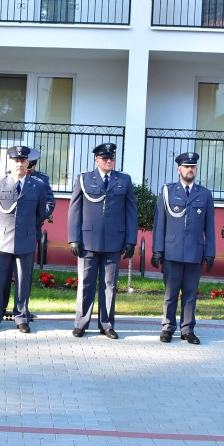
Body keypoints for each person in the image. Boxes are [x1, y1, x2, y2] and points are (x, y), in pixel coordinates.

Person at [67, 142, 137, 339]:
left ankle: (106, 324)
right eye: (105, 158)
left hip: (114, 242)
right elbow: (75, 209)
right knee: (86, 283)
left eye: (112, 158)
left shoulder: (124, 180)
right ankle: (81, 323)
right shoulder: (84, 178)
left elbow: (131, 212)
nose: (109, 161)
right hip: (88, 240)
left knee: (109, 285)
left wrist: (130, 240)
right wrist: (74, 238)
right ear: (96, 160)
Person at [0, 145, 50, 333]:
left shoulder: (37, 186)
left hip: (26, 239)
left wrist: (26, 227)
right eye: (16, 160)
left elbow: (40, 213)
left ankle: (21, 317)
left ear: (28, 163)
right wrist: (4, 227)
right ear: (11, 162)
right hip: (2, 239)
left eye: (23, 161)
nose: (19, 164)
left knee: (23, 280)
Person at [151, 152, 215, 344]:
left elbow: (209, 227)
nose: (190, 170)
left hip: (195, 253)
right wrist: (157, 250)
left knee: (190, 294)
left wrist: (210, 252)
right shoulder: (168, 191)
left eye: (193, 167)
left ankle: (187, 329)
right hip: (172, 252)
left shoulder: (204, 194)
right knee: (170, 293)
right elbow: (159, 223)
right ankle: (168, 328)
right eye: (186, 167)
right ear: (179, 169)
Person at [2, 147, 55, 314]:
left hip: (30, 231)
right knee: (3, 274)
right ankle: (0, 307)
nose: (27, 169)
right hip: (8, 233)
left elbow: (49, 203)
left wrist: (35, 218)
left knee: (24, 275)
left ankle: (21, 309)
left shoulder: (41, 180)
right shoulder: (7, 178)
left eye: (30, 166)